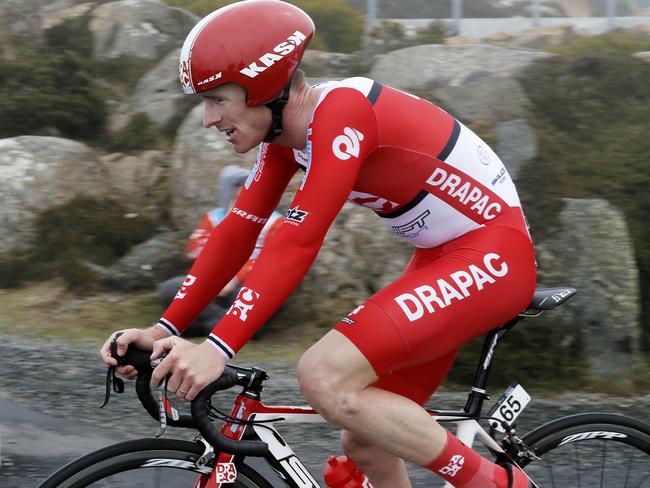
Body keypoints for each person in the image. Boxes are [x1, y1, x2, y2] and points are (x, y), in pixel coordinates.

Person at [101, 1, 537, 487]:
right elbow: (239, 232)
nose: (208, 119)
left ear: (264, 86)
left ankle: (502, 485)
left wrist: (217, 349)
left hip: (492, 256)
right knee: (367, 441)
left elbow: (299, 239)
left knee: (324, 376)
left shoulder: (342, 114)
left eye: (218, 99)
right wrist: (163, 328)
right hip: (441, 258)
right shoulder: (284, 138)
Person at [157, 164, 283, 337]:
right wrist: (217, 275)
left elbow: (272, 260)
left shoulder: (274, 222)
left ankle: (211, 326)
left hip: (247, 287)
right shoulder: (214, 217)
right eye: (238, 191)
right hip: (212, 282)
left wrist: (235, 278)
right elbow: (194, 249)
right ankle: (219, 324)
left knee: (254, 301)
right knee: (171, 289)